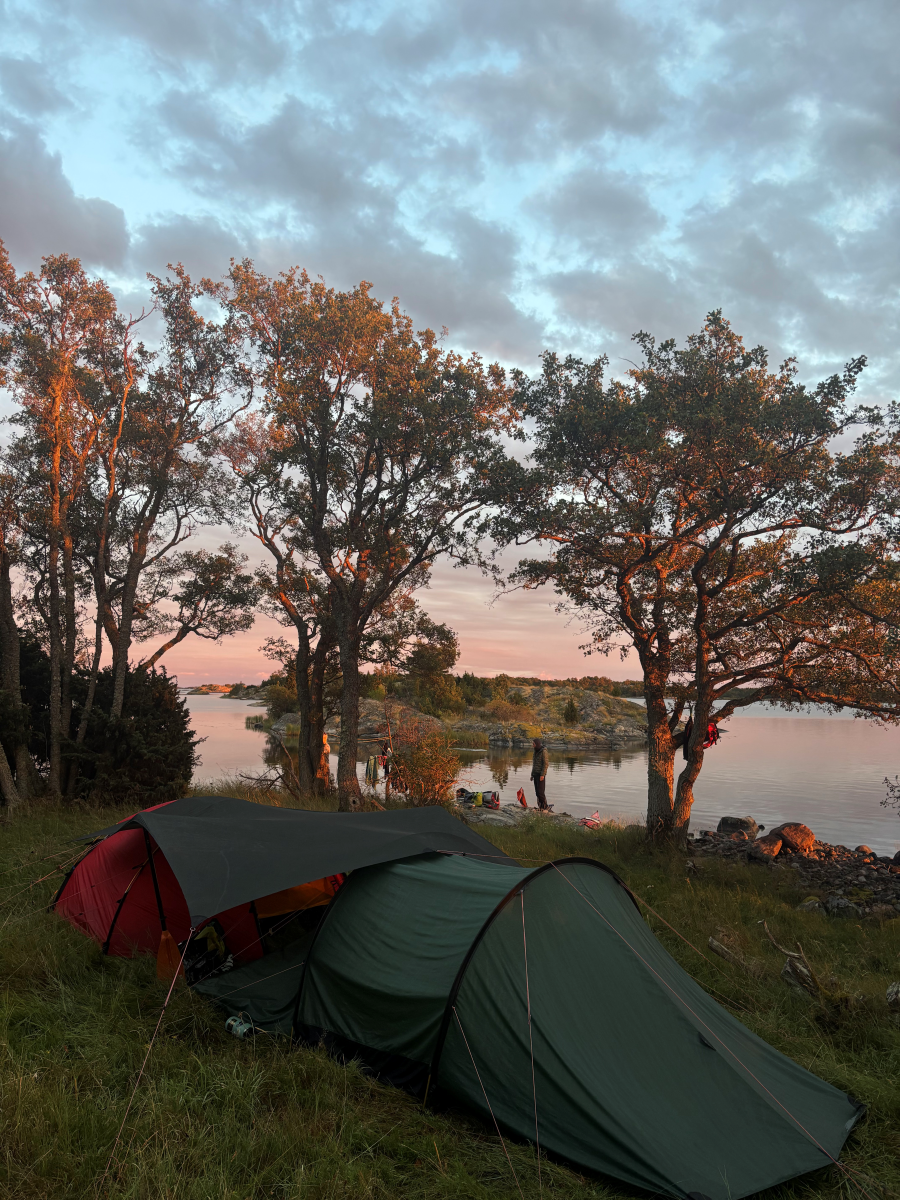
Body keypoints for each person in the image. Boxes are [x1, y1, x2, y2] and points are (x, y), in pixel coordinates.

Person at [531, 736, 551, 811]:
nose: (532, 745)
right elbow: (534, 764)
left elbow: (546, 764)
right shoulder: (535, 751)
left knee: (540, 792)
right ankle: (540, 807)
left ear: (537, 744)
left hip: (540, 775)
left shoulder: (543, 752)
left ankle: (545, 807)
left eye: (533, 744)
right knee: (537, 792)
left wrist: (542, 774)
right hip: (535, 774)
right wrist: (532, 775)